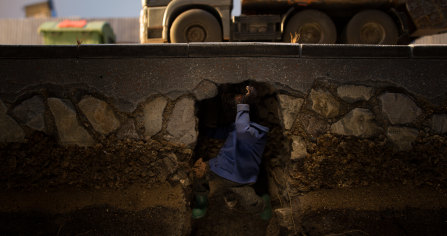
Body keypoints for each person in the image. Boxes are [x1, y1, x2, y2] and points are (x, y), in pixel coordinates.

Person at [192, 86, 271, 220]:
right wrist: (203, 131)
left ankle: (263, 205)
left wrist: (244, 104)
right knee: (199, 173)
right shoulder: (235, 126)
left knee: (251, 202)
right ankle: (201, 201)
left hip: (239, 179)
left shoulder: (256, 133)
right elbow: (223, 132)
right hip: (219, 166)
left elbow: (242, 130)